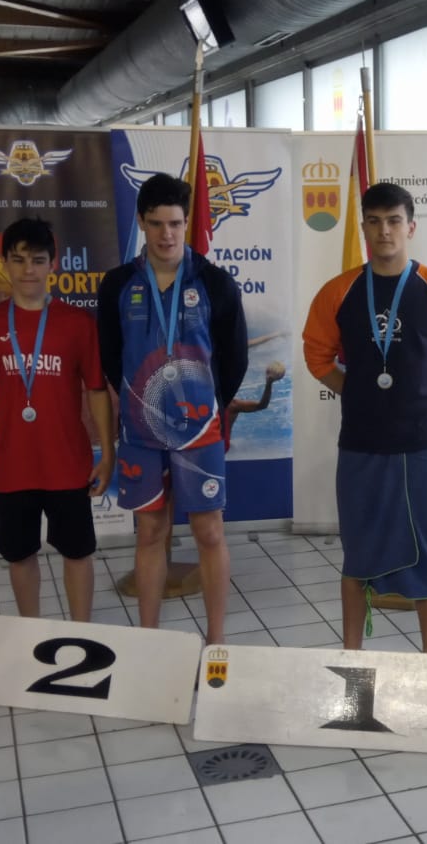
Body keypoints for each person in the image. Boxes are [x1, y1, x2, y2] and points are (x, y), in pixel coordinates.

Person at [303, 182, 427, 653]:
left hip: (418, 447)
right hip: (359, 445)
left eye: (394, 221)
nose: (385, 231)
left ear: (411, 227)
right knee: (357, 555)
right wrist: (357, 391)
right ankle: (352, 657)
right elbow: (317, 356)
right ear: (363, 227)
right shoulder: (338, 291)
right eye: (375, 221)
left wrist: (423, 397)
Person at [97, 172, 247, 642]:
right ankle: (150, 640)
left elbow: (235, 358)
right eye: (157, 224)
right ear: (142, 222)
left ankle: (216, 640)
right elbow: (109, 355)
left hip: (199, 434)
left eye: (176, 224)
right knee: (149, 535)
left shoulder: (215, 283)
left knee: (210, 534)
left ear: (186, 224)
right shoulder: (117, 284)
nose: (167, 234)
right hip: (140, 435)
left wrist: (205, 407)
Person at [0, 218, 113, 620]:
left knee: (78, 552)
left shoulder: (78, 323)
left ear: (53, 263)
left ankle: (82, 630)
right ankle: (30, 632)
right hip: (12, 465)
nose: (28, 270)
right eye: (18, 260)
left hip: (67, 463)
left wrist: (107, 453)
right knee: (19, 555)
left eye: (37, 260)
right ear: (4, 264)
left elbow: (97, 391)